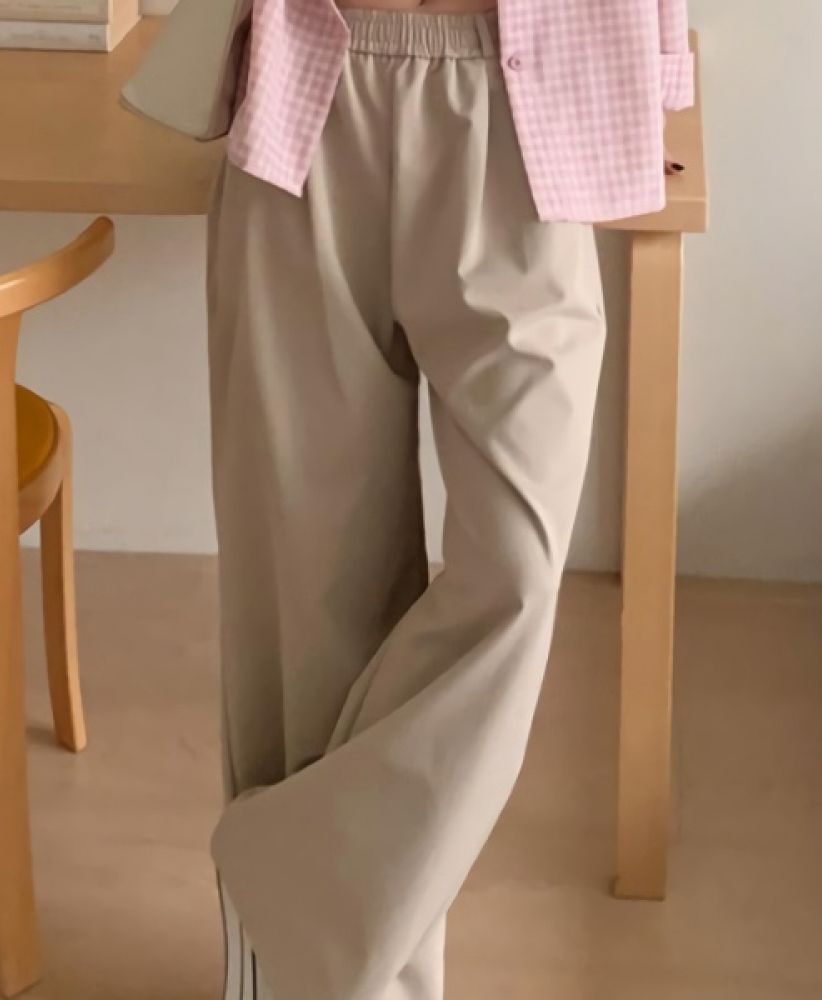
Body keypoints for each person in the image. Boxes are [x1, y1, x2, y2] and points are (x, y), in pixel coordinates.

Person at [206, 0, 694, 997]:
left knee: (516, 573)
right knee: (308, 591)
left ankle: (278, 896)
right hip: (312, 91)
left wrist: (658, 74)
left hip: (524, 110)